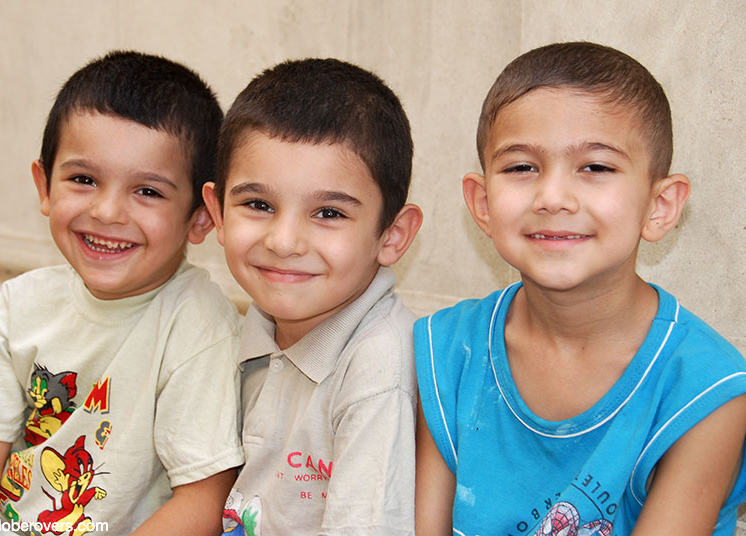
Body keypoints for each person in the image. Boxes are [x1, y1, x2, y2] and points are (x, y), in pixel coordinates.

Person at [414, 41, 746, 535]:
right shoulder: (447, 351)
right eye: (522, 167)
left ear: (660, 206)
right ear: (482, 203)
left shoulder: (706, 390)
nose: (552, 197)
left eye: (596, 167)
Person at [0, 51, 243, 535]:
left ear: (201, 217)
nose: (107, 211)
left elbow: (203, 501)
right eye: (83, 179)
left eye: (148, 191)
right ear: (44, 186)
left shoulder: (199, 327)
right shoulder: (19, 305)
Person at [203, 57, 423, 535]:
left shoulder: (379, 368)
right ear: (217, 213)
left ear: (392, 234)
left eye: (327, 213)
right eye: (258, 205)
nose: (284, 241)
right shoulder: (244, 328)